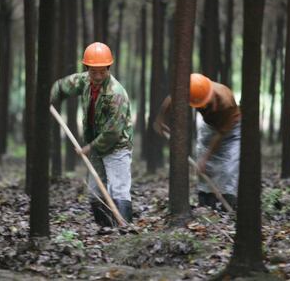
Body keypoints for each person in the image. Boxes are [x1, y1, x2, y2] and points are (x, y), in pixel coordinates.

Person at [50, 42, 133, 226]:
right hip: (95, 144)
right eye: (93, 71)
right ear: (87, 68)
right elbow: (64, 86)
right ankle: (104, 229)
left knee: (119, 188)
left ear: (108, 68)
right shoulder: (85, 80)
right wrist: (48, 95)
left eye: (102, 71)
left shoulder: (116, 94)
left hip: (118, 145)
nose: (97, 76)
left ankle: (124, 231)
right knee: (95, 192)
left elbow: (113, 132)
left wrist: (90, 147)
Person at [154, 73, 240, 210]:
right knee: (205, 165)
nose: (201, 107)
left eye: (204, 104)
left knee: (228, 166)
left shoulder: (225, 101)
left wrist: (205, 159)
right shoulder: (192, 90)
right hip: (210, 126)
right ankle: (206, 199)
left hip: (231, 129)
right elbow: (172, 97)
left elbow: (220, 134)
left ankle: (229, 201)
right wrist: (160, 119)